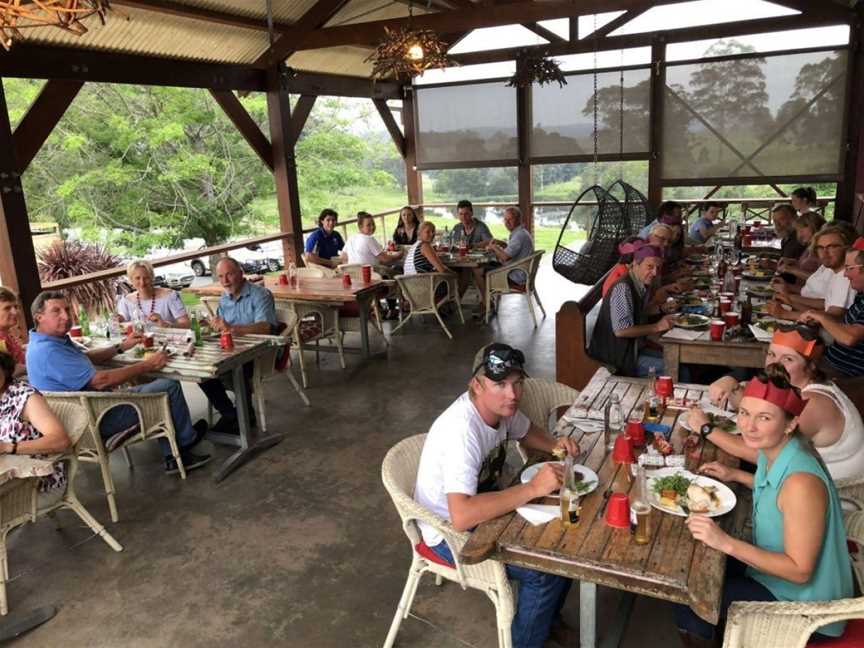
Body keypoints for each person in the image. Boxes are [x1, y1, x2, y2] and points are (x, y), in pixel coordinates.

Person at [414, 343, 579, 648]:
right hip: (446, 532)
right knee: (544, 571)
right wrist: (531, 489)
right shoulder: (463, 431)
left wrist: (557, 445)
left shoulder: (501, 410)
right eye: (500, 384)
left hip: (484, 509)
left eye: (517, 383)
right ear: (475, 385)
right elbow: (461, 516)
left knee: (565, 539)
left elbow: (527, 431)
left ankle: (547, 621)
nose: (512, 394)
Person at [675, 366, 854, 645]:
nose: (749, 426)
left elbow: (800, 570)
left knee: (691, 595)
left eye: (765, 417)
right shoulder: (783, 450)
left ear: (790, 424)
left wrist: (725, 542)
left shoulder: (801, 484)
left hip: (808, 610)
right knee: (691, 564)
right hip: (772, 576)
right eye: (745, 413)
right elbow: (776, 491)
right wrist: (736, 475)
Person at [24, 291, 210, 474]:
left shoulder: (46, 342)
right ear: (39, 317)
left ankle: (179, 441)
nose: (66, 316)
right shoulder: (49, 352)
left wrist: (121, 347)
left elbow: (85, 358)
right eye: (56, 311)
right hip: (96, 419)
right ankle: (182, 449)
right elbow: (101, 381)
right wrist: (148, 365)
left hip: (85, 413)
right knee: (168, 387)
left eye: (67, 309)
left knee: (153, 386)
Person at [694, 325, 864, 481]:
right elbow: (757, 407)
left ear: (811, 366)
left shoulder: (811, 403)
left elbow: (762, 452)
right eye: (771, 354)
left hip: (837, 500)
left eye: (788, 359)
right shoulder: (796, 386)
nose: (775, 364)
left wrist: (705, 428)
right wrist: (731, 383)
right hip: (798, 483)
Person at [200, 257, 278, 433]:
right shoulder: (224, 298)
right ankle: (230, 414)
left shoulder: (260, 294)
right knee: (203, 370)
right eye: (220, 277)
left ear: (241, 273)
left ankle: (245, 417)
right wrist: (213, 325)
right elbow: (223, 328)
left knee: (234, 368)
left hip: (260, 350)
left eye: (229, 274)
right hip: (231, 348)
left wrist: (232, 328)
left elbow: (265, 327)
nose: (225, 281)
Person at [588, 242, 676, 377]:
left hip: (633, 349)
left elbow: (635, 312)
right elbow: (621, 331)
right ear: (636, 263)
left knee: (677, 359)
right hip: (617, 358)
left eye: (658, 268)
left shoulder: (639, 283)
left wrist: (661, 308)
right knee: (678, 368)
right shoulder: (623, 288)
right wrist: (657, 326)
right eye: (650, 267)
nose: (655, 273)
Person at [0, 351, 71, 500]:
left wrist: (7, 447)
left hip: (34, 484)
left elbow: (61, 441)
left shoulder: (25, 397)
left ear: (4, 370)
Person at [801, 238, 864, 377]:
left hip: (848, 376)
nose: (846, 274)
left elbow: (850, 337)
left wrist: (820, 316)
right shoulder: (861, 295)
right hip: (830, 362)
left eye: (849, 268)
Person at [769, 224, 855, 321]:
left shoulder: (846, 277)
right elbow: (823, 310)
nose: (824, 253)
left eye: (832, 247)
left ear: (848, 248)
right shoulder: (836, 273)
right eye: (820, 247)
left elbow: (831, 319)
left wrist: (786, 314)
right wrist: (789, 301)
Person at [116, 260, 190, 327]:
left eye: (146, 278)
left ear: (152, 278)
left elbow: (186, 324)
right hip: (139, 340)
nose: (142, 283)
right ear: (131, 280)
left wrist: (165, 324)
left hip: (169, 339)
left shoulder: (170, 296)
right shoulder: (126, 300)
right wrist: (117, 319)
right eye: (137, 278)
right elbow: (123, 321)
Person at [487, 206, 534, 285]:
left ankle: (487, 297)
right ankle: (492, 296)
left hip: (517, 277)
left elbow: (505, 257)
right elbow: (513, 250)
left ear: (518, 219)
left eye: (510, 219)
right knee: (489, 265)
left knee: (480, 270)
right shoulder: (521, 232)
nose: (507, 223)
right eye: (505, 219)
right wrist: (502, 244)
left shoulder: (519, 236)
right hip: (522, 272)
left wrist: (493, 247)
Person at [777, 211, 826, 282]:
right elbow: (808, 265)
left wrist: (791, 270)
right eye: (799, 229)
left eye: (803, 228)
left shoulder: (822, 249)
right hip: (799, 289)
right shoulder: (810, 246)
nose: (800, 232)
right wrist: (793, 262)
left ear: (814, 226)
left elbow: (821, 281)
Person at [0, 287, 26, 376]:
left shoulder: (5, 333)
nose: (15, 312)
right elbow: (6, 370)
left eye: (16, 307)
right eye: (7, 308)